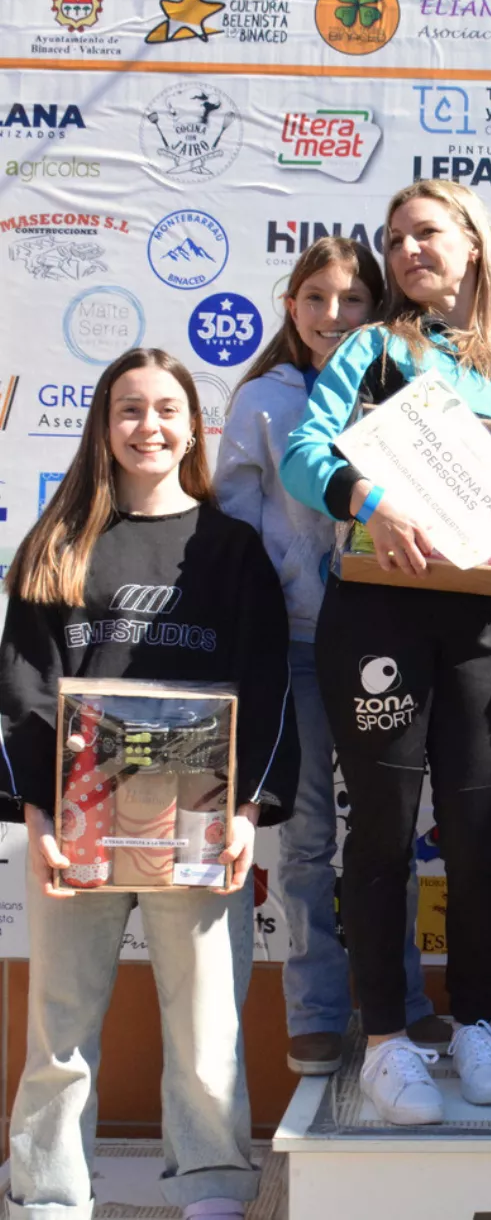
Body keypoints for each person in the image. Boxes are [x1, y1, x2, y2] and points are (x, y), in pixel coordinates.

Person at [280, 179, 491, 1126]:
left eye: (427, 233)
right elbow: (303, 451)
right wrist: (371, 503)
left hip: (484, 625)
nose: (409, 250)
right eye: (396, 239)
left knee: (481, 832)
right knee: (379, 832)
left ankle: (478, 1022)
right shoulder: (373, 348)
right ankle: (384, 1042)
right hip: (375, 616)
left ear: (473, 245)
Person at [0, 348, 298, 1220]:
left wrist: (247, 810)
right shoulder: (58, 542)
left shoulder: (229, 548)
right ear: (103, 424)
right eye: (130, 409)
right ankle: (47, 1191)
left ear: (191, 426)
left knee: (207, 1024)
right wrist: (38, 815)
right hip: (77, 822)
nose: (148, 427)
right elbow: (20, 691)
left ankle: (209, 1184)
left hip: (197, 824)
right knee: (60, 1026)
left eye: (166, 409)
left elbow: (267, 684)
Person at [215, 235, 450, 1078]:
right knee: (309, 837)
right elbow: (235, 531)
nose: (333, 317)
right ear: (290, 306)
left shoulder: (405, 389)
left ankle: (406, 1001)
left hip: (388, 640)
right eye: (316, 299)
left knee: (391, 833)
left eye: (352, 301)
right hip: (300, 649)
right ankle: (314, 1010)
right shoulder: (260, 404)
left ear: (377, 310)